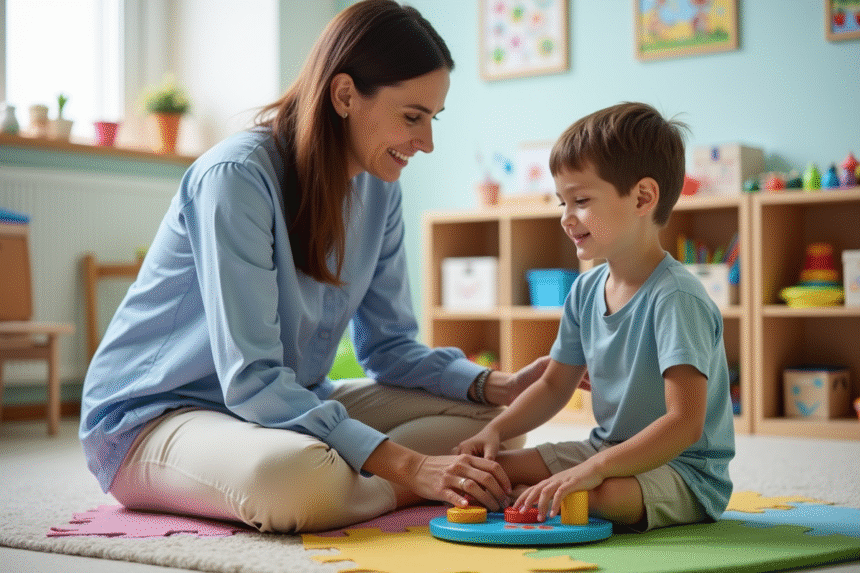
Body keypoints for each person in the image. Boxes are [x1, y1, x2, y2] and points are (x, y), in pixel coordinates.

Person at [80, 0, 548, 534]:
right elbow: (253, 380)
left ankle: (361, 486)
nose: (427, 143)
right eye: (413, 117)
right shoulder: (236, 177)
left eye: (432, 120)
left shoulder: (379, 188)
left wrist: (497, 386)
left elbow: (389, 348)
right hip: (158, 418)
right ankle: (389, 486)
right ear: (345, 94)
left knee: (498, 430)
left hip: (286, 406)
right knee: (295, 480)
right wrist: (410, 465)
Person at [457, 102, 735, 532]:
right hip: (604, 450)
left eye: (581, 201)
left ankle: (536, 497)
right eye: (562, 202)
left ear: (643, 197)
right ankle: (523, 493)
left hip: (684, 471)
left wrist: (596, 469)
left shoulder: (676, 297)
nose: (567, 218)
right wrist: (496, 430)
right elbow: (553, 385)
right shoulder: (585, 290)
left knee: (594, 497)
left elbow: (685, 424)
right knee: (496, 470)